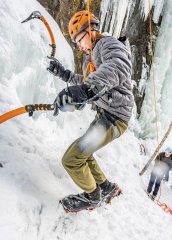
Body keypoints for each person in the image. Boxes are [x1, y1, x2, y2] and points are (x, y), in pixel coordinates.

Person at [47, 10, 133, 212]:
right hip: (106, 114)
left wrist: (87, 89)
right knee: (85, 151)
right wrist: (65, 74)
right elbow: (86, 81)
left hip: (115, 117)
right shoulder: (90, 59)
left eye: (79, 39)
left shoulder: (108, 44)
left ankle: (92, 196)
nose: (79, 46)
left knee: (71, 159)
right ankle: (107, 188)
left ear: (90, 30)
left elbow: (118, 66)